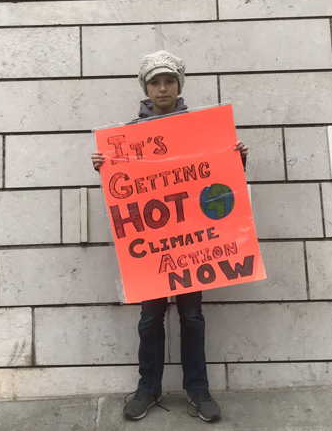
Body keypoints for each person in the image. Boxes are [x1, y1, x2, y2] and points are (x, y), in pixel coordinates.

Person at [91, 50, 249, 422]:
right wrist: (105, 165)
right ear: (146, 88)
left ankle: (198, 389)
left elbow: (217, 181)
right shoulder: (127, 136)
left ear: (179, 85)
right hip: (152, 247)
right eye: (155, 82)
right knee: (150, 317)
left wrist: (235, 159)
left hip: (192, 243)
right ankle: (149, 388)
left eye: (169, 81)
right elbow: (125, 189)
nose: (162, 88)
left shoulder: (201, 129)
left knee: (192, 315)